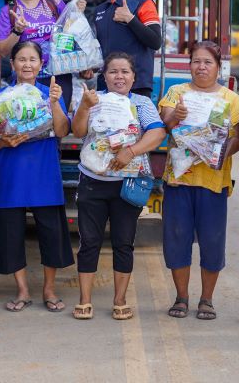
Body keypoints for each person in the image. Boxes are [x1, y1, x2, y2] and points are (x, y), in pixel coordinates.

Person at [70, 52, 165, 320]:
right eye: (113, 71)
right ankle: (85, 300)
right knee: (89, 242)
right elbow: (77, 132)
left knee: (124, 243)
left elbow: (157, 133)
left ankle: (120, 300)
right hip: (93, 181)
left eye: (125, 71)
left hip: (127, 184)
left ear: (134, 77)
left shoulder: (142, 102)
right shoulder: (92, 99)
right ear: (105, 76)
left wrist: (131, 152)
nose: (119, 76)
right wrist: (85, 107)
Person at [158, 40, 239, 321]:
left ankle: (206, 299)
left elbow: (237, 137)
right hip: (179, 179)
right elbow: (165, 123)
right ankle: (182, 297)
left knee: (212, 241)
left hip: (212, 180)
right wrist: (176, 115)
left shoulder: (230, 99)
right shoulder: (177, 92)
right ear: (189, 65)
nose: (201, 66)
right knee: (177, 240)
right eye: (196, 61)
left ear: (218, 68)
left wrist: (219, 154)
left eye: (208, 62)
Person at [0, 41, 74, 313]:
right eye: (21, 59)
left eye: (32, 60)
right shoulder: (0, 97)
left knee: (51, 231)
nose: (27, 64)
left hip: (43, 170)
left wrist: (55, 103)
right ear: (12, 64)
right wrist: (3, 141)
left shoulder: (50, 93)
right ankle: (22, 289)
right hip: (10, 169)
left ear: (41, 64)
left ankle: (49, 289)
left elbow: (61, 131)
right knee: (10, 232)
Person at [0, 0, 86, 108]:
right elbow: (2, 51)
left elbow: (70, 36)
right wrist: (17, 31)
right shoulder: (9, 10)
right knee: (28, 122)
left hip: (59, 74)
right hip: (26, 76)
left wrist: (76, 16)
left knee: (59, 123)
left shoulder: (56, 3)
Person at [92, 0, 162, 98]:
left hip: (137, 86)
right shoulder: (100, 10)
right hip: (106, 85)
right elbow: (98, 48)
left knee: (134, 122)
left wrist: (130, 19)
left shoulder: (144, 3)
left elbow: (155, 42)